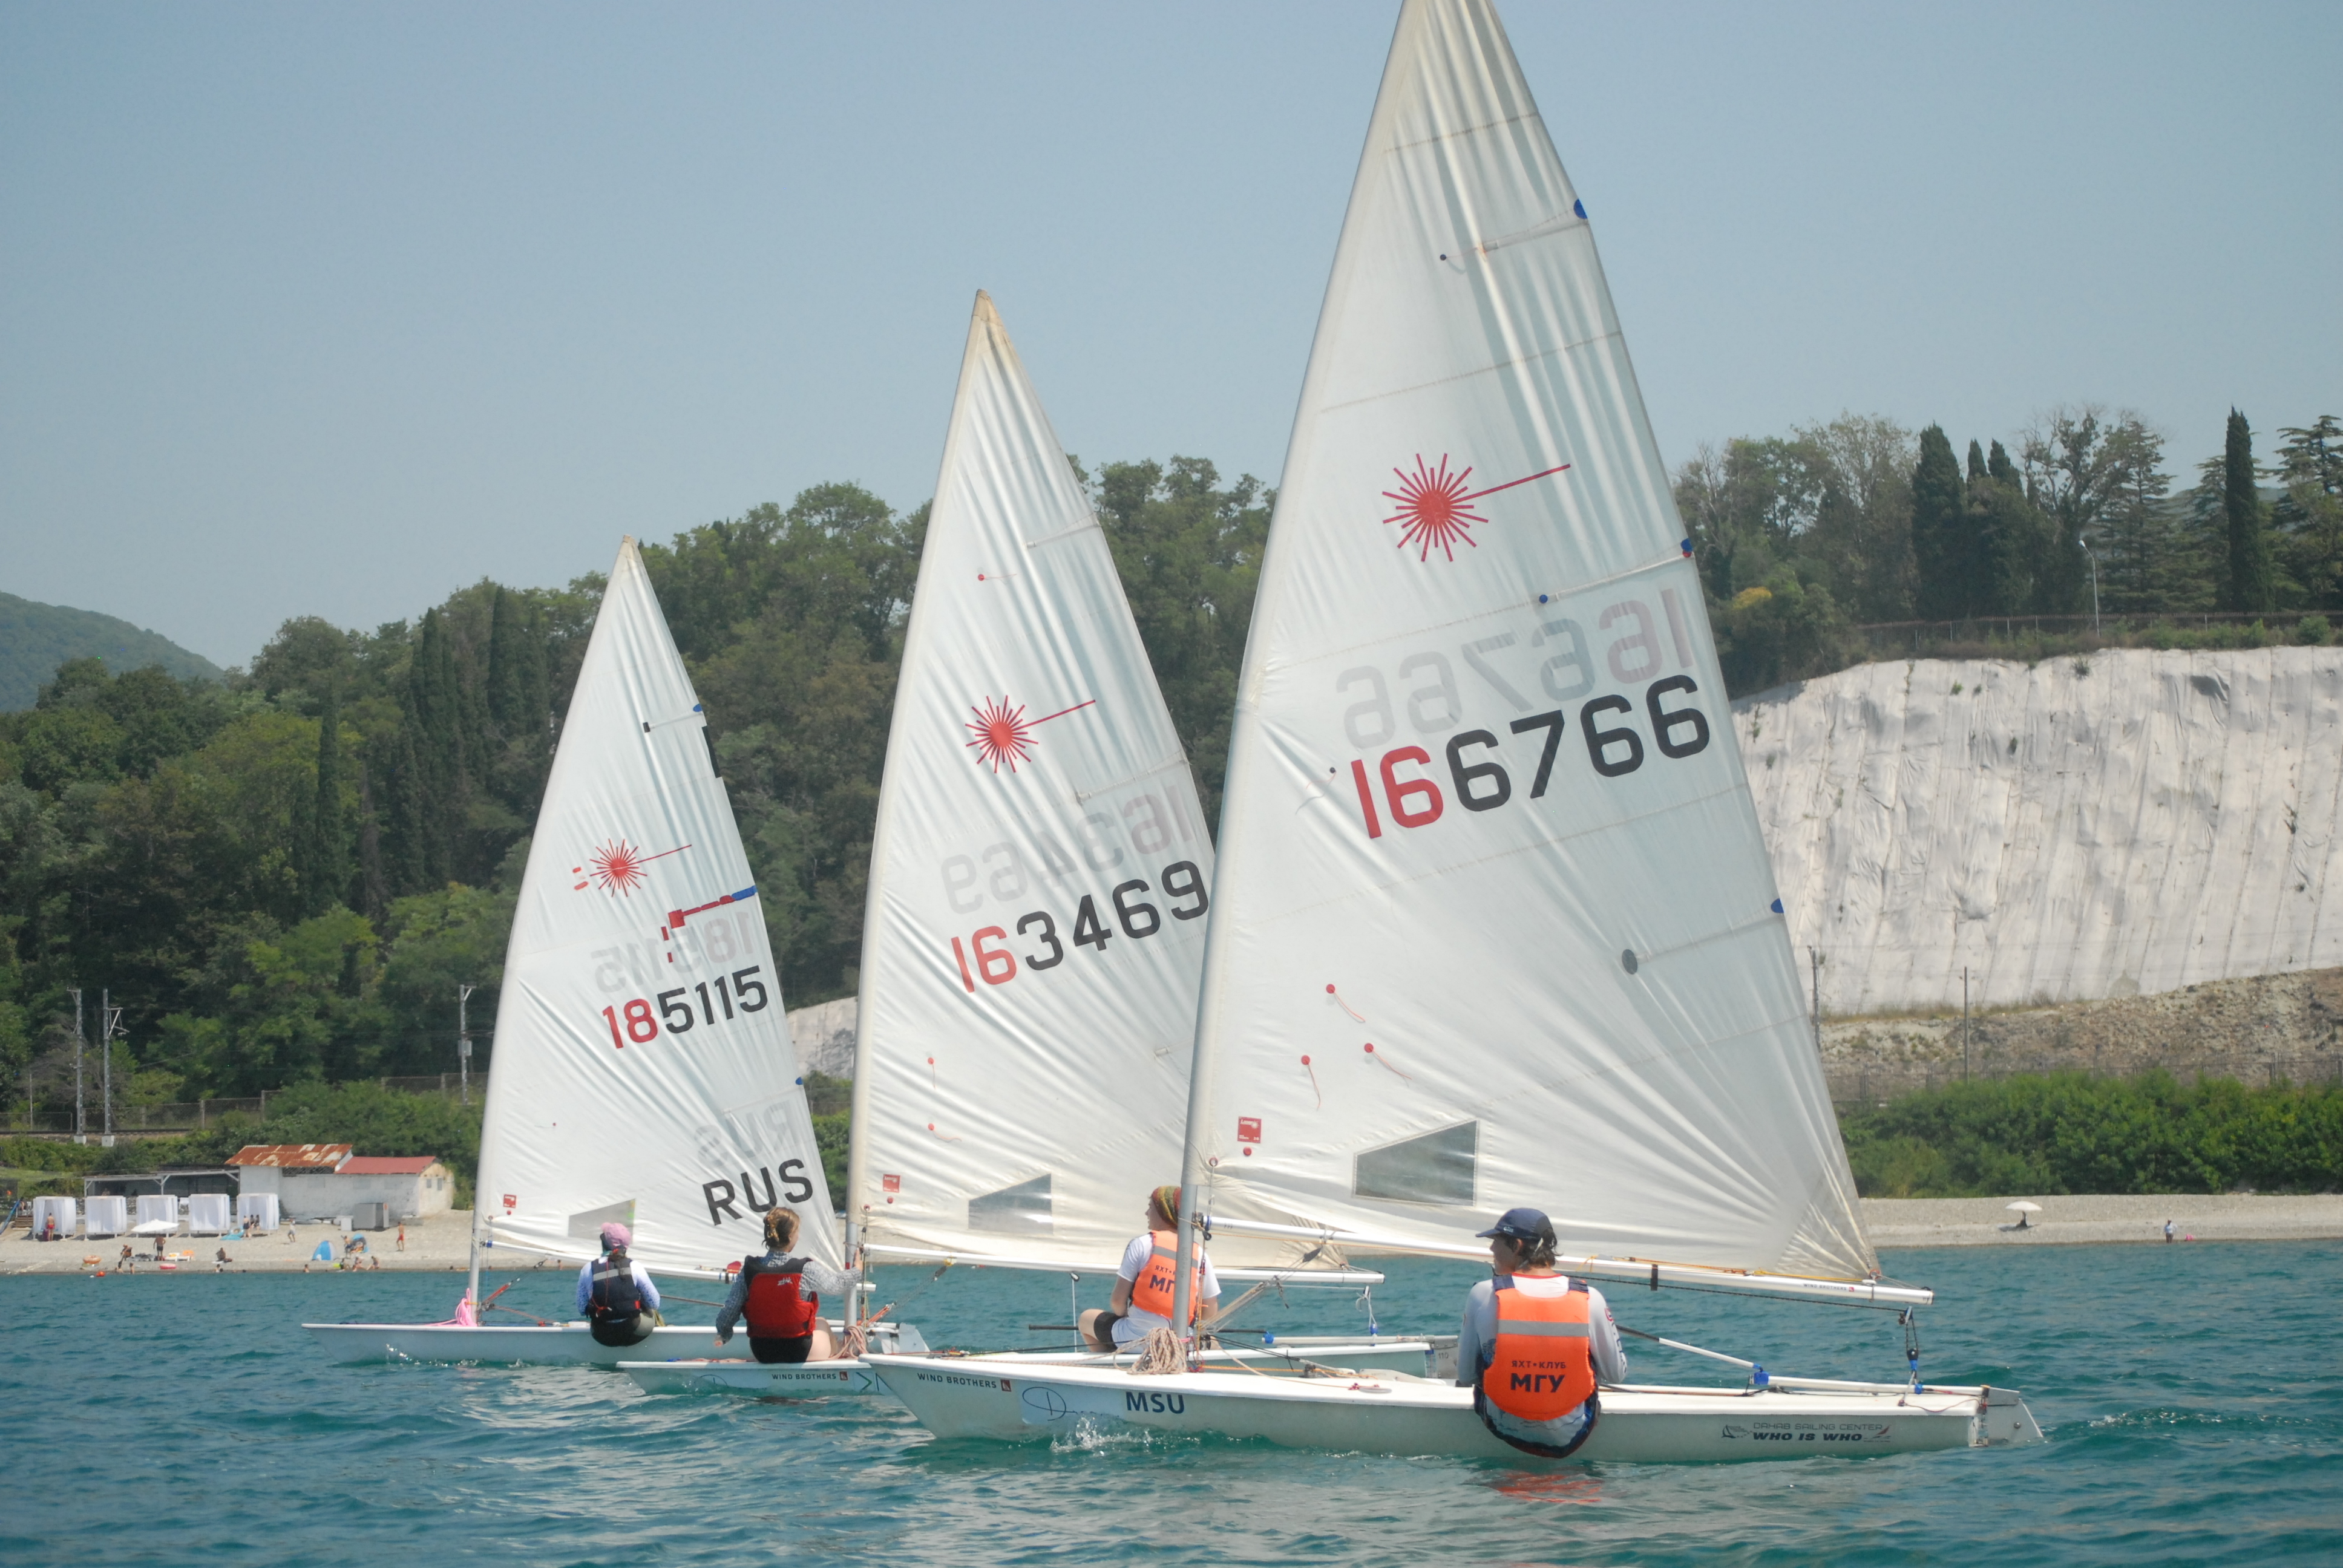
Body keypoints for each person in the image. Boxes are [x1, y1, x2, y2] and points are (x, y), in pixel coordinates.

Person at [1456, 1207, 1627, 1459]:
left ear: (1517, 1246)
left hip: (1502, 1424)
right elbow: (1616, 1375)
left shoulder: (1482, 1293)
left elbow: (1466, 1374)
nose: (1491, 1249)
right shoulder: (1590, 1297)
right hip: (1573, 1430)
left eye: (1496, 1241)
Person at [1078, 1185, 1219, 1353]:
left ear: (1164, 1212)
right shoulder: (1200, 1254)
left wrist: (1126, 1315)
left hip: (1135, 1339)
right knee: (1212, 1342)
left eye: (1150, 1208)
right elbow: (1210, 1311)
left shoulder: (1142, 1244)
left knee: (1086, 1318)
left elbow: (1117, 1302)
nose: (1147, 1213)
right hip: (1179, 1344)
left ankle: (1106, 1363)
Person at [715, 1206, 859, 1363]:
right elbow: (836, 1285)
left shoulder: (749, 1271)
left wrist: (724, 1334)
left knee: (817, 1324)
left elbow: (730, 1309)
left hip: (762, 1352)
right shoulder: (805, 1269)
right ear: (790, 1236)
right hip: (799, 1351)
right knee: (822, 1323)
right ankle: (841, 1355)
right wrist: (858, 1270)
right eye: (797, 1232)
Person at [577, 1222, 662, 1347]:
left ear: (604, 1243)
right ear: (626, 1246)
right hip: (635, 1331)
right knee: (652, 1312)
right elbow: (654, 1303)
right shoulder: (634, 1266)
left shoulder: (587, 1269)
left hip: (603, 1336)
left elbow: (582, 1308)